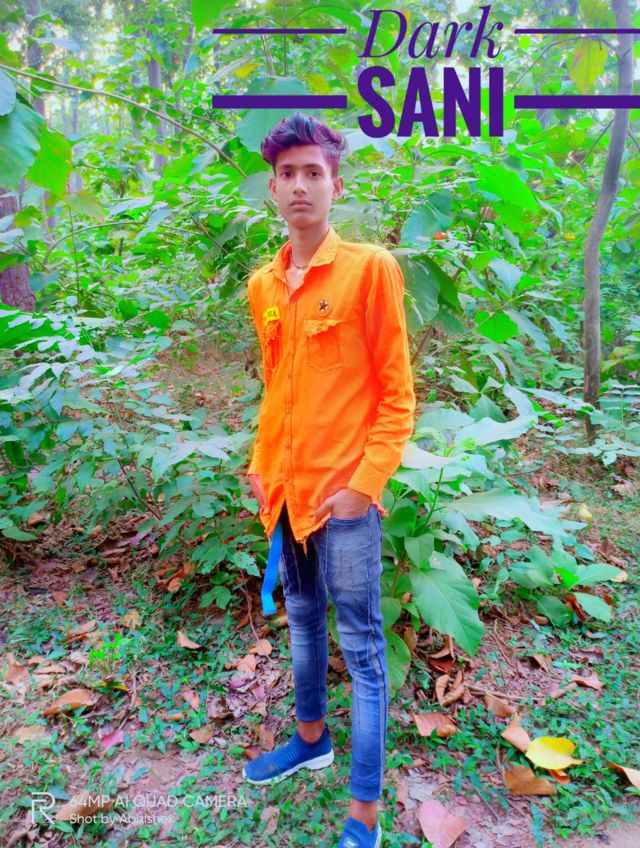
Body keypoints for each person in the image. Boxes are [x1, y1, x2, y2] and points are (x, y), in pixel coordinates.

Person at [242, 112, 415, 848]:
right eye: (287, 173)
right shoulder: (263, 284)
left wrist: (362, 486)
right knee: (304, 623)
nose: (300, 185)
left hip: (343, 499)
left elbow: (397, 396)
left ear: (334, 186)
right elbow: (276, 388)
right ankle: (310, 739)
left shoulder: (370, 270)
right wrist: (261, 467)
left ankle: (363, 816)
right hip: (285, 494)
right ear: (273, 189)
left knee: (364, 649)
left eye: (314, 172)